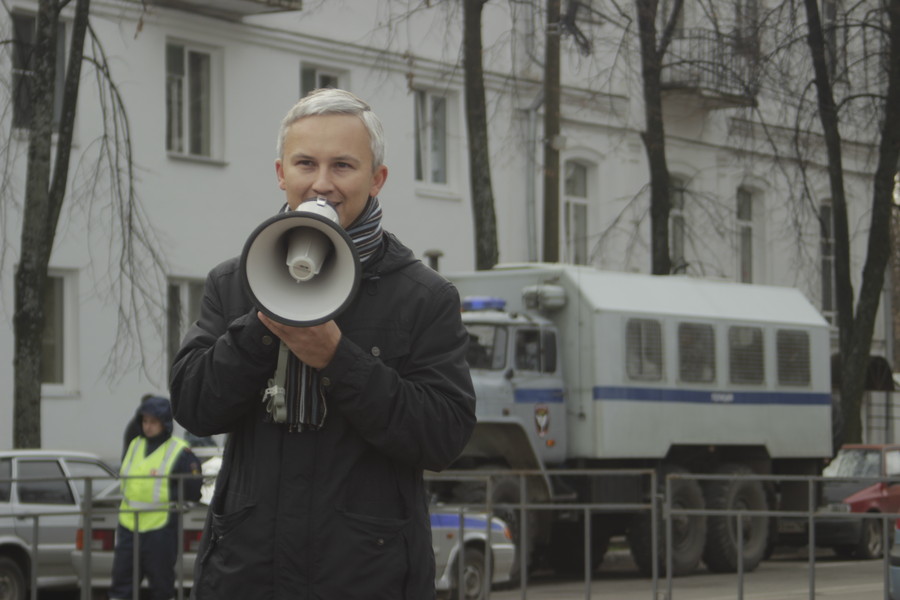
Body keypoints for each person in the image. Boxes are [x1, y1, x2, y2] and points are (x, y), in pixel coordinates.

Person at [169, 88, 477, 599]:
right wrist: (261, 324)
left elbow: (442, 437)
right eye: (306, 163)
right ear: (280, 173)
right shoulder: (235, 282)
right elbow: (194, 406)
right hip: (247, 575)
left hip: (368, 577)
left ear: (377, 179)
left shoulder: (423, 296)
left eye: (343, 166)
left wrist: (339, 360)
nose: (321, 184)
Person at [109, 395, 202, 600]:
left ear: (165, 423)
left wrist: (175, 499)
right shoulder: (135, 445)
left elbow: (193, 488)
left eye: (153, 422)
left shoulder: (179, 451)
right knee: (121, 584)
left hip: (160, 528)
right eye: (144, 421)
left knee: (161, 585)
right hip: (129, 525)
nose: (147, 427)